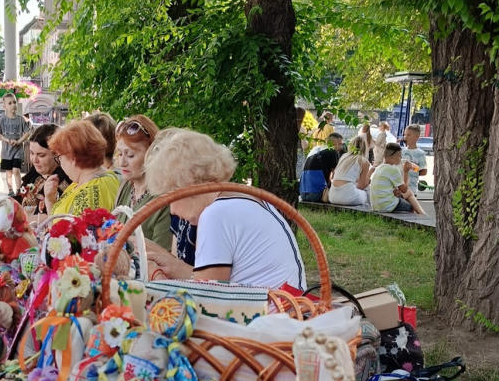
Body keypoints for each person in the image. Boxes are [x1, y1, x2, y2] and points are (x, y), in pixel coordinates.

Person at [143, 128, 306, 290]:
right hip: (287, 307)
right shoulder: (239, 200)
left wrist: (154, 274)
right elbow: (213, 284)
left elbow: (207, 297)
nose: (172, 211)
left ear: (188, 183)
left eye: (172, 196)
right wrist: (174, 267)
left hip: (268, 312)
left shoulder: (216, 214)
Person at [114, 115, 172, 251]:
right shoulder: (125, 186)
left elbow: (163, 257)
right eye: (120, 154)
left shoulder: (164, 198)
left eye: (130, 155)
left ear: (152, 154)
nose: (122, 162)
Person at [45, 120, 120, 216]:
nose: (60, 163)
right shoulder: (82, 183)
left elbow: (77, 229)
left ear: (73, 159)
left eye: (60, 158)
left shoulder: (90, 192)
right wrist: (50, 200)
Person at [18, 123, 69, 222]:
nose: (34, 160)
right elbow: (18, 198)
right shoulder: (35, 172)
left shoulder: (63, 180)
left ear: (57, 154)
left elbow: (53, 216)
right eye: (32, 153)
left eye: (41, 155)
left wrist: (17, 222)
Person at [369, 142, 424, 215]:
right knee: (411, 206)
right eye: (399, 156)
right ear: (391, 157)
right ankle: (422, 216)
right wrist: (406, 172)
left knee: (409, 193)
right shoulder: (393, 169)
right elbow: (404, 189)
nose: (401, 158)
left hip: (376, 206)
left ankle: (423, 214)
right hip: (387, 206)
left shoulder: (379, 168)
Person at [0, 93, 30, 196]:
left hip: (18, 150)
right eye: (10, 103)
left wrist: (19, 141)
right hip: (6, 151)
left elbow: (27, 132)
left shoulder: (20, 119)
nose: (13, 105)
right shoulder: (2, 120)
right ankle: (10, 190)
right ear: (5, 106)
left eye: (14, 102)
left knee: (16, 170)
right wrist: (7, 140)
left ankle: (19, 190)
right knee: (9, 172)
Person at [299, 133, 344, 202]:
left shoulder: (316, 150)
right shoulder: (332, 151)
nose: (341, 147)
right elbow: (337, 175)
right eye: (340, 144)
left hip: (303, 194)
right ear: (332, 144)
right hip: (316, 194)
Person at [329, 134, 371, 206]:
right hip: (348, 197)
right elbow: (361, 186)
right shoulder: (364, 161)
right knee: (367, 192)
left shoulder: (344, 157)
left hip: (332, 196)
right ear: (364, 148)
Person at [400, 123, 428, 195]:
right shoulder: (401, 151)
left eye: (408, 135)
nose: (405, 137)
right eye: (405, 134)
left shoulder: (420, 153)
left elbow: (423, 171)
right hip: (399, 188)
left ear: (416, 137)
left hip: (411, 189)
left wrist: (411, 168)